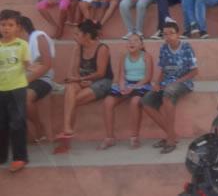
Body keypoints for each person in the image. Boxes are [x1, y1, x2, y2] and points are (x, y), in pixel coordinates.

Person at [54, 20, 113, 153]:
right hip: (83, 81)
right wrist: (77, 81)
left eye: (77, 34)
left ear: (86, 35)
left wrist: (82, 79)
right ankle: (67, 129)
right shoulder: (77, 47)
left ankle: (66, 135)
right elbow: (71, 72)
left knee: (71, 101)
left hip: (102, 82)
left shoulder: (102, 48)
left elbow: (101, 73)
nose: (74, 37)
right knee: (70, 88)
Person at [142, 21, 198, 154]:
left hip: (184, 82)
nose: (168, 37)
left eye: (171, 33)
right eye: (165, 34)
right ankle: (171, 134)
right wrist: (156, 83)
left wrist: (176, 82)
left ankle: (171, 140)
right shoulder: (163, 48)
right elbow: (162, 70)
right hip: (166, 82)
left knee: (168, 93)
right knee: (146, 101)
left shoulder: (186, 47)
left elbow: (194, 72)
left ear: (177, 34)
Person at [98, 34, 153, 150]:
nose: (131, 43)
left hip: (141, 84)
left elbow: (148, 77)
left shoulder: (146, 56)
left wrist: (133, 87)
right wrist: (122, 86)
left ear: (141, 44)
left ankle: (134, 137)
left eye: (135, 41)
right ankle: (109, 138)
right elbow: (121, 75)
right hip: (127, 83)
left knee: (134, 102)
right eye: (129, 41)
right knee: (108, 102)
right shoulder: (124, 56)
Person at [0, 10, 30, 172]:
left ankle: (19, 157)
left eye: (10, 25)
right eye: (3, 25)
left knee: (17, 123)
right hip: (0, 90)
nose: (6, 28)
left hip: (17, 89)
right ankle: (2, 155)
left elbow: (26, 65)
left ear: (18, 27)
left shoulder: (22, 45)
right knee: (1, 124)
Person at [18, 17, 54, 145]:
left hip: (43, 79)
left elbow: (47, 65)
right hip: (21, 78)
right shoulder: (17, 43)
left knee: (25, 97)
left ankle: (39, 128)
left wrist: (25, 81)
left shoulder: (39, 37)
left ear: (20, 27)